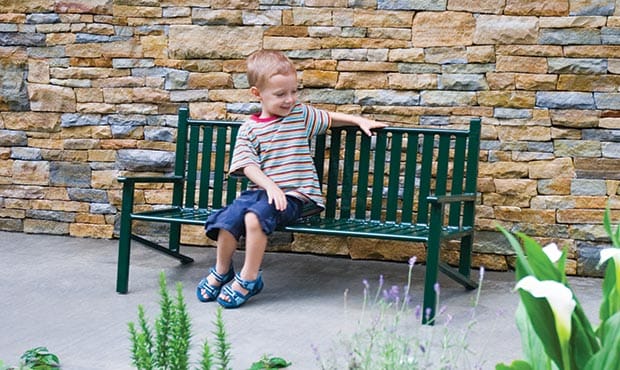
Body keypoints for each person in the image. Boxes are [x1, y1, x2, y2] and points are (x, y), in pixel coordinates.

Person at [196, 49, 388, 308]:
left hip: (297, 196)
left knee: (253, 218)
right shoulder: (249, 129)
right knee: (227, 218)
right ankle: (222, 271)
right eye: (280, 94)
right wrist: (270, 185)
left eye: (293, 92)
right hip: (262, 192)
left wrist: (357, 120)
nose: (289, 99)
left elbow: (329, 118)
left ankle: (249, 278)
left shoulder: (300, 116)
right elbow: (247, 165)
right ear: (257, 94)